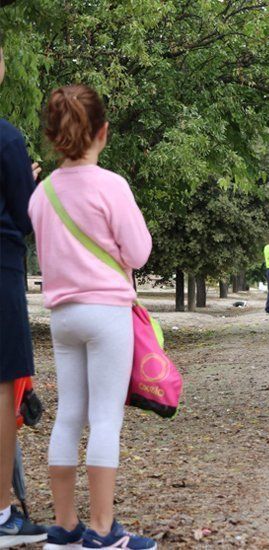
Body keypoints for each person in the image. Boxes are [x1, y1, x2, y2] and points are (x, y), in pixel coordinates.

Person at [28, 84, 158, 548]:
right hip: (106, 314)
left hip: (63, 318)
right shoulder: (112, 186)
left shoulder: (41, 195)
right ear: (102, 132)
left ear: (52, 136)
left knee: (69, 416)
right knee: (104, 419)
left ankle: (63, 527)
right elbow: (139, 253)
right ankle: (103, 531)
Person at [0, 38, 49, 548]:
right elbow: (24, 216)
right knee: (2, 385)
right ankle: (1, 512)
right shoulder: (8, 141)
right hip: (0, 270)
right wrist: (29, 184)